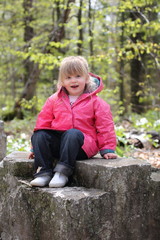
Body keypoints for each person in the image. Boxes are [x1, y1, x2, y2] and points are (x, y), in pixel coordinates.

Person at [29, 56, 117, 188]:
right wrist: (36, 147)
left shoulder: (96, 102)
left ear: (87, 78)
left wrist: (107, 148)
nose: (73, 80)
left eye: (78, 76)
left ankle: (62, 173)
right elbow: (43, 122)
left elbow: (105, 126)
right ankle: (43, 173)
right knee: (39, 133)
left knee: (72, 134)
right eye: (68, 77)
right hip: (59, 145)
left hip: (82, 146)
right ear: (62, 81)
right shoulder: (54, 100)